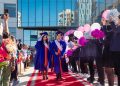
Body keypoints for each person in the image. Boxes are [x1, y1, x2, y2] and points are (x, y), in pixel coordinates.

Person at [110, 15, 120, 86]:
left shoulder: (117, 28)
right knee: (117, 70)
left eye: (117, 19)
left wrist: (112, 22)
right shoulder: (117, 27)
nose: (117, 20)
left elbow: (116, 31)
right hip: (115, 51)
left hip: (118, 51)